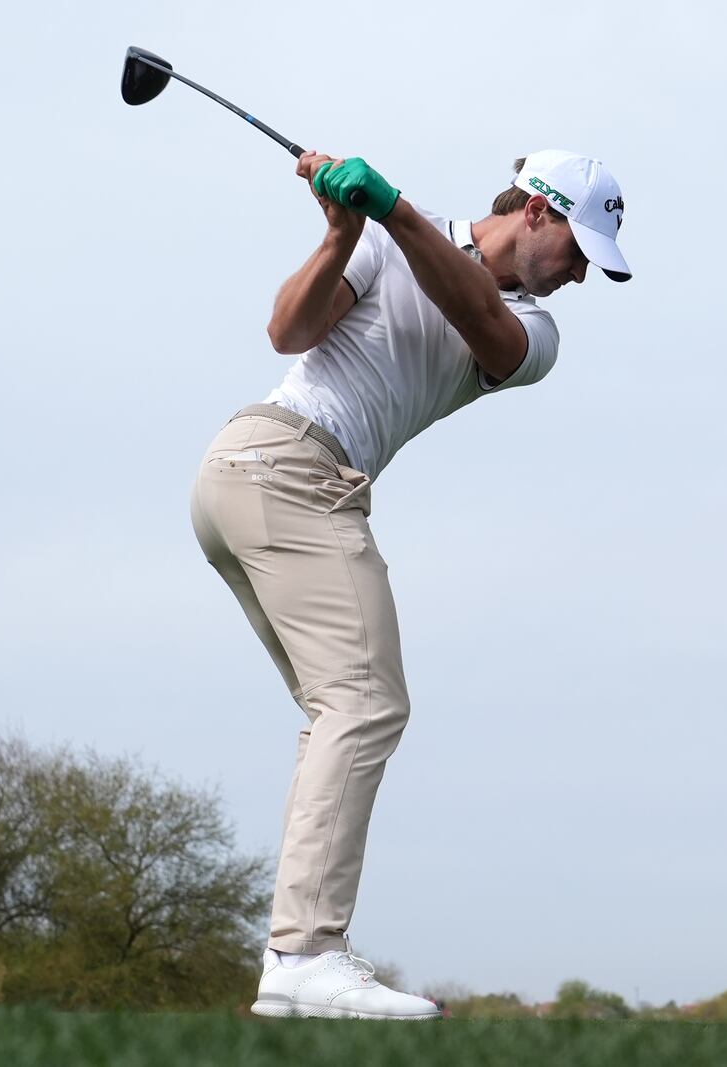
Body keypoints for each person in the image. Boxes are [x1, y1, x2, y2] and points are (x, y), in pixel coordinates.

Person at [190, 149, 630, 1020]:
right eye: (577, 247)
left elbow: (483, 325)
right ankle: (304, 951)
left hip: (267, 484)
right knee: (363, 703)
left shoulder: (532, 330)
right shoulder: (389, 241)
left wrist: (391, 212)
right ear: (535, 211)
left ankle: (296, 960)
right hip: (278, 464)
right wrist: (341, 235)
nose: (580, 272)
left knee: (343, 710)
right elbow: (288, 331)